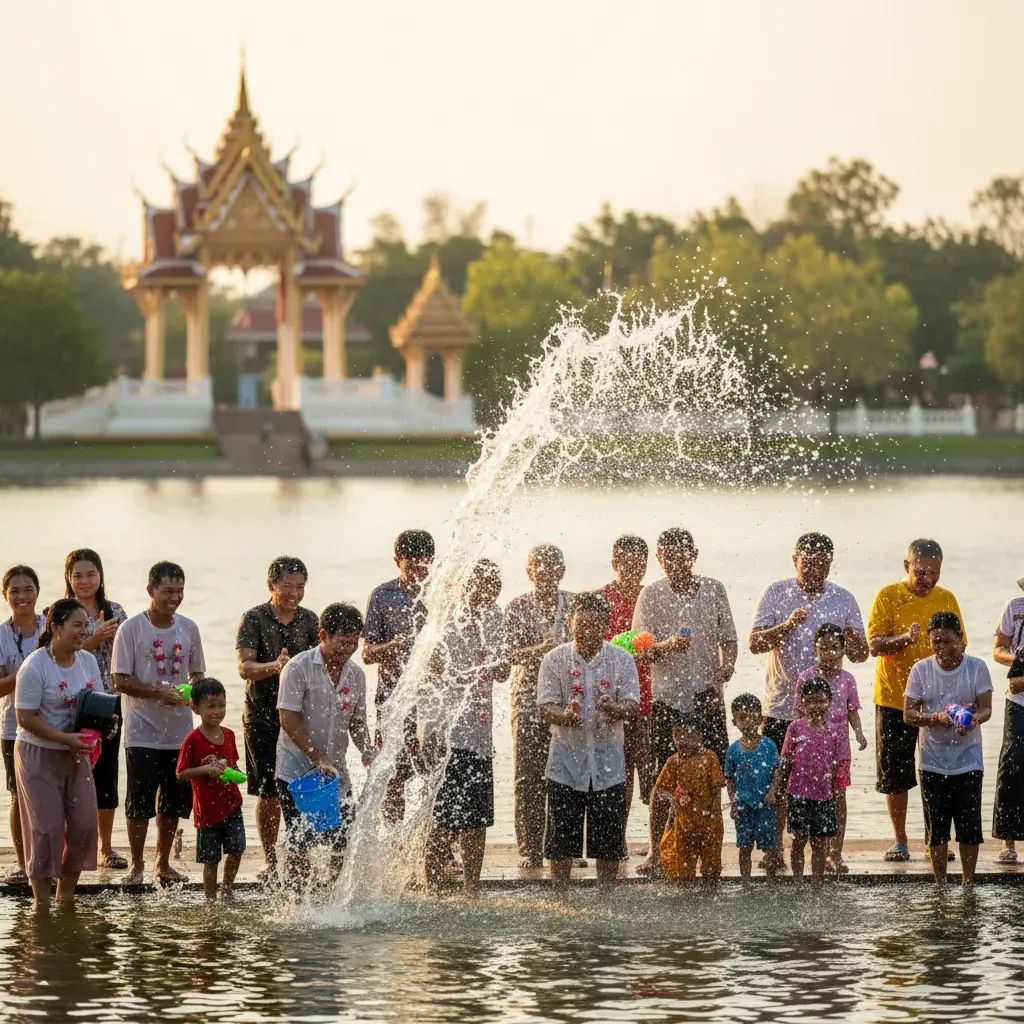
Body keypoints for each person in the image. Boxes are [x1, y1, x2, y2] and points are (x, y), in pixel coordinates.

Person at [749, 532, 866, 866]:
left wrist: (854, 639)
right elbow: (755, 643)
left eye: (821, 561)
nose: (814, 567)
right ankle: (774, 851)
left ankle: (833, 851)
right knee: (779, 781)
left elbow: (859, 655)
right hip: (782, 707)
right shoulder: (776, 592)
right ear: (794, 560)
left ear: (830, 564)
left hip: (829, 718)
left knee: (833, 786)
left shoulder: (843, 598)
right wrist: (786, 625)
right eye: (807, 560)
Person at [631, 528, 737, 875]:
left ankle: (709, 845)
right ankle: (655, 851)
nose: (676, 560)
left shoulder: (714, 588)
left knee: (711, 774)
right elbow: (638, 650)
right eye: (669, 556)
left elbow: (730, 640)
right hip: (668, 699)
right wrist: (666, 646)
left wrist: (728, 665)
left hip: (706, 695)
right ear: (659, 559)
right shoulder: (651, 594)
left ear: (694, 554)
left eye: (683, 554)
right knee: (664, 780)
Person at [868, 538, 964, 862]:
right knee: (895, 774)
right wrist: (904, 640)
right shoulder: (888, 596)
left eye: (933, 573)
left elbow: (960, 643)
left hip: (936, 700)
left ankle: (935, 840)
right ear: (906, 566)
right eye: (920, 572)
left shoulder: (946, 598)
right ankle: (900, 840)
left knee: (938, 771)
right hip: (894, 699)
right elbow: (874, 645)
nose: (927, 579)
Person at [537, 591, 639, 890]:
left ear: (606, 624)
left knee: (608, 841)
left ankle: (606, 897)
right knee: (561, 840)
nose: (587, 630)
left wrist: (615, 709)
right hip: (566, 763)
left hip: (608, 764)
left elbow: (632, 703)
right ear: (570, 622)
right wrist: (565, 715)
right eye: (581, 623)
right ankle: (560, 899)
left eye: (595, 624)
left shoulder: (621, 659)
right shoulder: (554, 659)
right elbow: (545, 706)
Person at [112, 562, 205, 886]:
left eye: (179, 592)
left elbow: (198, 675)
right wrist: (156, 691)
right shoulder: (131, 629)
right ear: (151, 590)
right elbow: (119, 679)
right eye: (167, 591)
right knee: (139, 801)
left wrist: (193, 693)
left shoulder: (189, 628)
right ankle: (137, 866)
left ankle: (162, 864)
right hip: (140, 729)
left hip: (180, 730)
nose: (174, 598)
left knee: (173, 800)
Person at [424, 560, 507, 895]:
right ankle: (432, 885)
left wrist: (498, 664)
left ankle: (472, 885)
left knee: (477, 816)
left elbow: (502, 671)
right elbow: (432, 669)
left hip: (480, 733)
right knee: (443, 815)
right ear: (466, 585)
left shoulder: (495, 616)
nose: (488, 592)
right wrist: (467, 673)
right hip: (446, 731)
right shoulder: (445, 616)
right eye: (483, 584)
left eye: (494, 586)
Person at [277, 602, 372, 887]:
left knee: (345, 837)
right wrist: (318, 758)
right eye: (342, 642)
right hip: (297, 772)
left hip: (335, 775)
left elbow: (357, 721)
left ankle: (329, 894)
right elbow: (288, 719)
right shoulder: (298, 668)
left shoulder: (356, 675)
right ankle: (295, 901)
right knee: (300, 841)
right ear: (323, 636)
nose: (348, 650)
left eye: (353, 643)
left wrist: (367, 750)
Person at [14, 599, 101, 910]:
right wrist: (64, 737)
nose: (84, 631)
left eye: (86, 625)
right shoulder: (35, 665)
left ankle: (65, 897)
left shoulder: (88, 661)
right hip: (38, 753)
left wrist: (107, 725)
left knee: (84, 826)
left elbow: (97, 704)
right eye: (77, 625)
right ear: (56, 627)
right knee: (47, 830)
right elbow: (25, 716)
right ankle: (41, 905)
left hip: (77, 755)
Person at [236, 555, 318, 882]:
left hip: (299, 718)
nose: (294, 593)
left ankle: (302, 856)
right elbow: (244, 667)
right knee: (268, 790)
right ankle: (270, 861)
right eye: (287, 586)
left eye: (300, 587)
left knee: (302, 787)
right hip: (262, 717)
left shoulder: (311, 620)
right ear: (271, 585)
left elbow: (320, 665)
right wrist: (276, 667)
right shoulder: (253, 619)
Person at [904, 611, 992, 889]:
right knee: (937, 830)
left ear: (961, 640)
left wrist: (974, 719)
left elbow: (986, 707)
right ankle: (940, 884)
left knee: (969, 829)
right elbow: (908, 714)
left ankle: (968, 884)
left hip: (968, 760)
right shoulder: (921, 669)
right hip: (931, 760)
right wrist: (935, 718)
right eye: (936, 642)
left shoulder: (976, 667)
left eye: (947, 641)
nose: (941, 647)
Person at [504, 544, 573, 869]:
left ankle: (564, 847)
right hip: (528, 699)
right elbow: (507, 656)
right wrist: (541, 650)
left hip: (566, 699)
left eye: (552, 565)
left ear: (562, 570)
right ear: (529, 571)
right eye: (539, 566)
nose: (546, 571)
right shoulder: (517, 606)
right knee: (528, 777)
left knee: (567, 775)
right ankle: (530, 848)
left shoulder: (573, 603)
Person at [64, 548, 129, 871]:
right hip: (70, 704)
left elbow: (130, 653)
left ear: (101, 576)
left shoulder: (114, 610)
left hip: (109, 702)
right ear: (68, 579)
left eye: (91, 574)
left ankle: (105, 847)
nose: (85, 580)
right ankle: (71, 843)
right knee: (70, 773)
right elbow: (59, 652)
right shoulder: (59, 612)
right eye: (78, 575)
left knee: (106, 774)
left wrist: (113, 637)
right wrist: (94, 638)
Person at [363, 530, 434, 824]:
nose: (419, 570)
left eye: (425, 563)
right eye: (411, 564)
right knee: (395, 773)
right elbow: (366, 654)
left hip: (433, 700)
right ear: (397, 562)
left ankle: (439, 847)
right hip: (393, 699)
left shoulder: (442, 593)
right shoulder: (382, 596)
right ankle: (391, 840)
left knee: (437, 772)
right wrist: (391, 647)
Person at [795, 623, 868, 873]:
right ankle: (814, 850)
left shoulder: (848, 679)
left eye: (834, 648)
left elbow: (852, 711)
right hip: (812, 753)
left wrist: (858, 732)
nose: (829, 653)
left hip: (839, 751)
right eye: (823, 648)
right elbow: (797, 715)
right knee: (811, 799)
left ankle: (836, 852)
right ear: (815, 649)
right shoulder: (806, 677)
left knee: (838, 798)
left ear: (843, 650)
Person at [600, 535, 655, 839]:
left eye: (639, 563)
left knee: (652, 777)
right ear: (614, 564)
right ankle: (615, 841)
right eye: (626, 563)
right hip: (612, 704)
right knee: (616, 778)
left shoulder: (654, 597)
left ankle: (655, 847)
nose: (633, 568)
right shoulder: (601, 600)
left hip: (650, 700)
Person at [175, 678, 245, 903]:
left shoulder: (230, 735)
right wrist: (206, 769)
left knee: (237, 850)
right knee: (210, 858)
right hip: (207, 810)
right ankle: (210, 899)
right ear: (195, 708)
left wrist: (235, 772)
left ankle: (227, 889)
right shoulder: (192, 740)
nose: (218, 711)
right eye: (211, 706)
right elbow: (181, 774)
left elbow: (233, 765)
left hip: (232, 803)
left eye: (222, 706)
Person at [0, 566, 45, 886]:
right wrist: (25, 673)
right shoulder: (1, 635)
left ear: (38, 592)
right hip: (13, 727)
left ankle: (51, 859)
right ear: (5, 596)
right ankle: (21, 862)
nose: (22, 596)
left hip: (53, 723)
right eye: (15, 591)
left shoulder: (50, 626)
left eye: (28, 589)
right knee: (19, 796)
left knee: (53, 795)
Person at [777, 676, 841, 887]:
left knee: (820, 843)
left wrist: (836, 791)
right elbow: (785, 761)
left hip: (823, 796)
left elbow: (835, 765)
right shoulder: (795, 728)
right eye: (810, 701)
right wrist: (777, 790)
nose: (816, 706)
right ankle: (797, 882)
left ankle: (816, 883)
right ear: (802, 702)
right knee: (798, 840)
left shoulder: (833, 731)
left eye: (821, 701)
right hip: (798, 794)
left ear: (829, 702)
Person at [653, 721, 726, 885]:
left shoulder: (709, 757)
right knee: (683, 875)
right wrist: (676, 796)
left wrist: (710, 811)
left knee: (712, 872)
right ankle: (686, 905)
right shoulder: (674, 761)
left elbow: (717, 788)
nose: (682, 741)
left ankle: (710, 903)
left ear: (700, 736)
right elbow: (661, 789)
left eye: (688, 736)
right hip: (684, 826)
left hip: (710, 825)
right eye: (677, 736)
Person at [724, 694, 780, 882]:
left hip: (766, 805)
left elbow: (777, 772)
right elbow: (729, 780)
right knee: (744, 847)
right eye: (742, 718)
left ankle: (771, 882)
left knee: (771, 847)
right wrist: (733, 802)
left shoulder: (769, 746)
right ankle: (746, 883)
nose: (748, 722)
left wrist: (772, 792)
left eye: (752, 717)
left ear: (760, 718)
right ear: (734, 722)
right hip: (743, 807)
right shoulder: (733, 750)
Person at [992, 579, 1024, 862]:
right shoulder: (1015, 608)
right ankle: (1008, 842)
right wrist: (1016, 658)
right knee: (1012, 768)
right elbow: (998, 649)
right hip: (1019, 701)